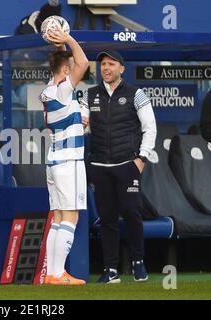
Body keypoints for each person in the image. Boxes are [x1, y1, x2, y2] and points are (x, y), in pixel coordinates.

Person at [80, 50, 157, 283]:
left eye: (111, 64)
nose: (106, 68)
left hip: (127, 164)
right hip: (99, 165)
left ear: (121, 68)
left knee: (132, 213)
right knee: (107, 218)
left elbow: (150, 128)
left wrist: (141, 159)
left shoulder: (137, 94)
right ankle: (111, 268)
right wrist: (80, 122)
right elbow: (82, 125)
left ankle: (138, 262)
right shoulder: (89, 94)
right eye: (103, 64)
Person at [39, 28, 89, 285]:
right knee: (71, 216)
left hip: (55, 160)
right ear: (67, 71)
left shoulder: (50, 89)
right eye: (71, 68)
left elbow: (64, 63)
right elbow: (83, 62)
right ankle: (57, 273)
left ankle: (53, 274)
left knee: (58, 217)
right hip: (69, 161)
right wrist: (69, 39)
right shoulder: (62, 90)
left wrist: (59, 46)